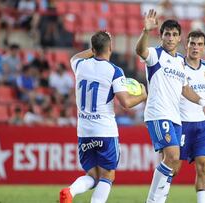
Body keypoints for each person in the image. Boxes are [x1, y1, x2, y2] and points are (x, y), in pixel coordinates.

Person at [136, 9, 205, 203]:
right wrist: (146, 31)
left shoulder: (181, 61)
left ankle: (158, 199)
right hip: (158, 113)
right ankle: (153, 201)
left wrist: (203, 101)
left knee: (173, 162)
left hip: (175, 117)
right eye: (167, 34)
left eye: (174, 34)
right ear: (161, 36)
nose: (170, 38)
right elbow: (140, 51)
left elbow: (185, 88)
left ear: (179, 38)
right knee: (172, 157)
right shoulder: (155, 55)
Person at [59, 31, 147, 203]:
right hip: (105, 131)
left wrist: (94, 48)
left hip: (84, 131)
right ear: (111, 48)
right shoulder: (114, 71)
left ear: (92, 48)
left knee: (92, 175)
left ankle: (71, 191)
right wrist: (143, 96)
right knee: (108, 175)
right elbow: (126, 103)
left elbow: (75, 56)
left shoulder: (80, 65)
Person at [179, 30, 205, 203]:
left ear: (204, 47)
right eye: (192, 43)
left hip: (202, 125)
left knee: (203, 167)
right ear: (186, 44)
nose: (196, 47)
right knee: (173, 168)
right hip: (181, 123)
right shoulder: (178, 65)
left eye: (199, 44)